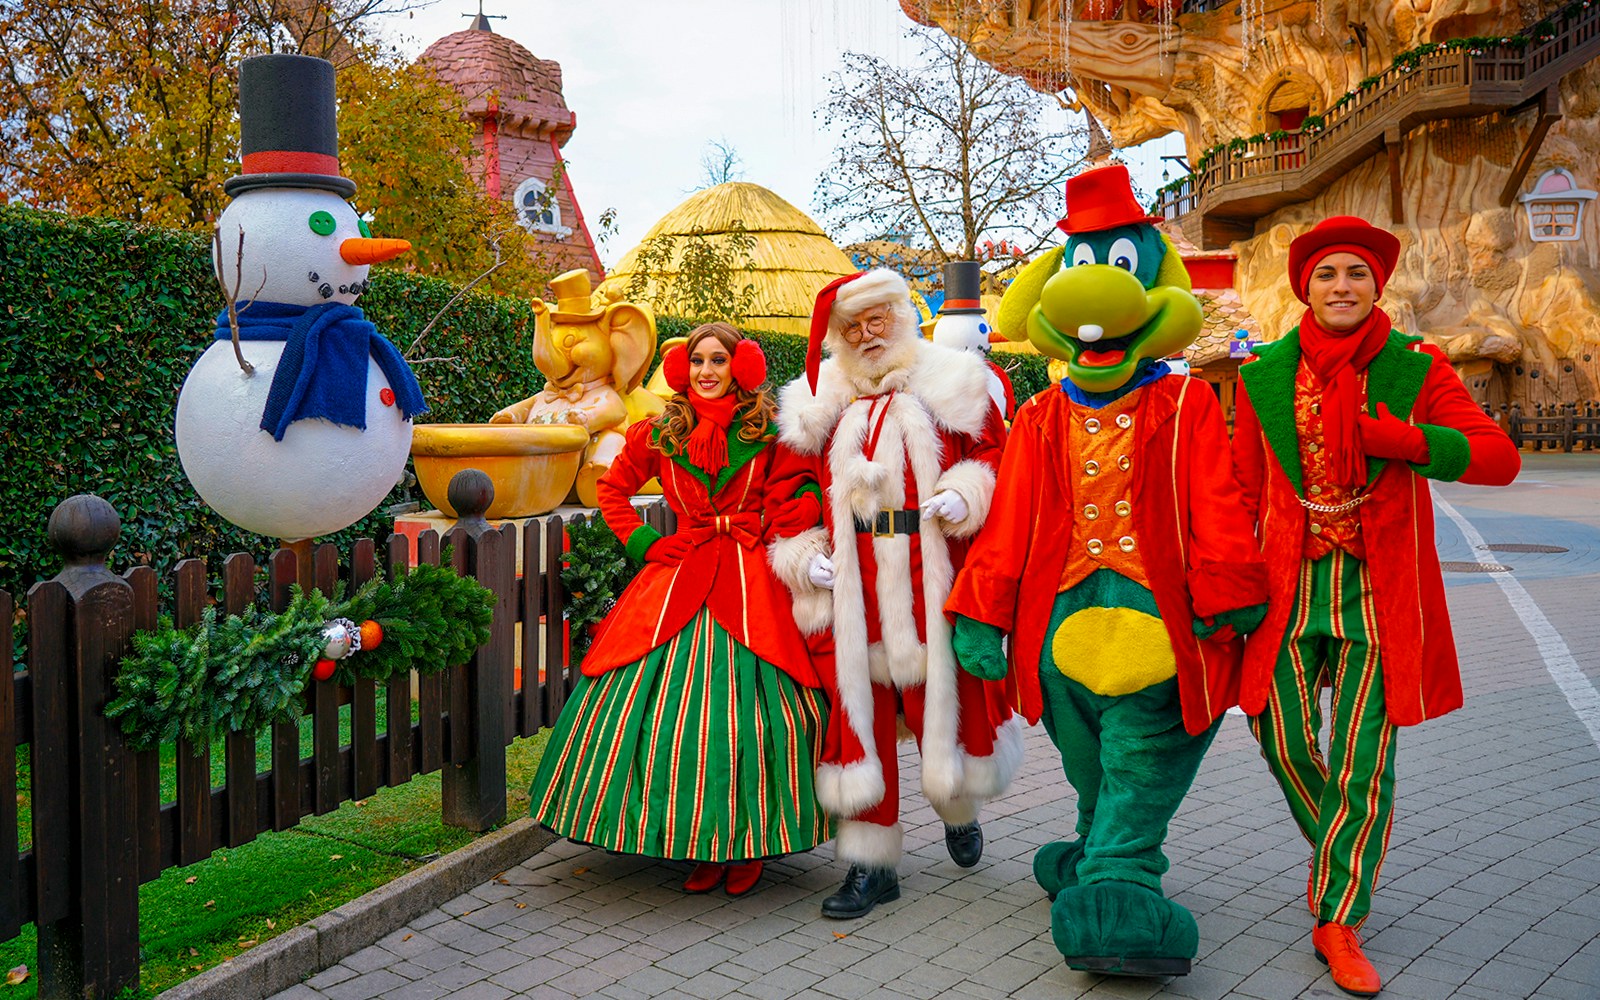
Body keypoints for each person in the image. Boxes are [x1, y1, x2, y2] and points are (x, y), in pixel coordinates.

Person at [947, 162, 1269, 976]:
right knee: (1086, 753)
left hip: (1161, 616)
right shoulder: (1038, 416)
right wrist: (982, 612)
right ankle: (1095, 840)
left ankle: (1121, 881)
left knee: (1143, 749)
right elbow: (1011, 521)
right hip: (1055, 624)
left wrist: (1227, 588)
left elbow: (1216, 500)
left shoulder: (1186, 404)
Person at [1231, 216, 1521, 996]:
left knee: (1363, 759)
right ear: (1306, 288)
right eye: (1326, 274)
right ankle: (1344, 848)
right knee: (1279, 734)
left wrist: (1411, 443)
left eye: (1356, 273)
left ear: (1376, 285)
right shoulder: (1262, 374)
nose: (1341, 287)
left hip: (1377, 591)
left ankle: (1338, 918)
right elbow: (1245, 488)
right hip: (1287, 587)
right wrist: (1222, 581)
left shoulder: (1415, 369)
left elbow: (1500, 460)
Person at [529, 322, 830, 897]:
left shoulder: (770, 429)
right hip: (679, 574)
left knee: (750, 717)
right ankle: (700, 845)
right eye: (697, 361)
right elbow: (611, 489)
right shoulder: (660, 432)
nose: (706, 371)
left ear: (741, 366)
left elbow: (802, 489)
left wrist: (796, 529)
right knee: (661, 714)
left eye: (718, 360)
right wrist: (645, 543)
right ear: (681, 369)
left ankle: (748, 845)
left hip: (751, 580)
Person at [767, 269, 1022, 919]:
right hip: (852, 584)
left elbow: (996, 457)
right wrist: (804, 555)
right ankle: (870, 865)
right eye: (851, 327)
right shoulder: (817, 402)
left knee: (941, 702)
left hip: (931, 568)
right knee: (861, 719)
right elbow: (788, 490)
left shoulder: (951, 382)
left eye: (875, 319)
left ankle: (957, 807)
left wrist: (965, 491)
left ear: (901, 315)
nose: (866, 335)